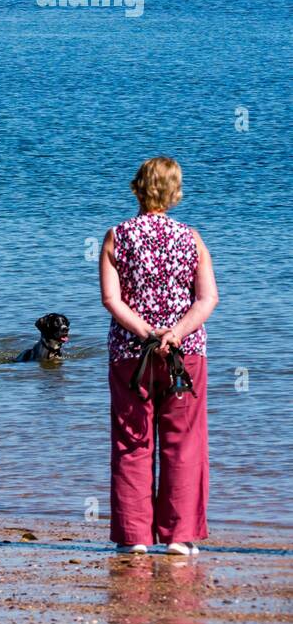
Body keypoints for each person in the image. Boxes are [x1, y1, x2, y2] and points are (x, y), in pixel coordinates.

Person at [99, 157, 218, 556]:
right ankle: (178, 537)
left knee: (132, 442)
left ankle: (134, 537)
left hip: (131, 354)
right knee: (183, 442)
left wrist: (148, 333)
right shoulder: (192, 238)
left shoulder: (116, 236)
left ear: (136, 187)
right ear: (175, 193)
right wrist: (175, 333)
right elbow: (207, 299)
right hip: (184, 356)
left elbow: (111, 300)